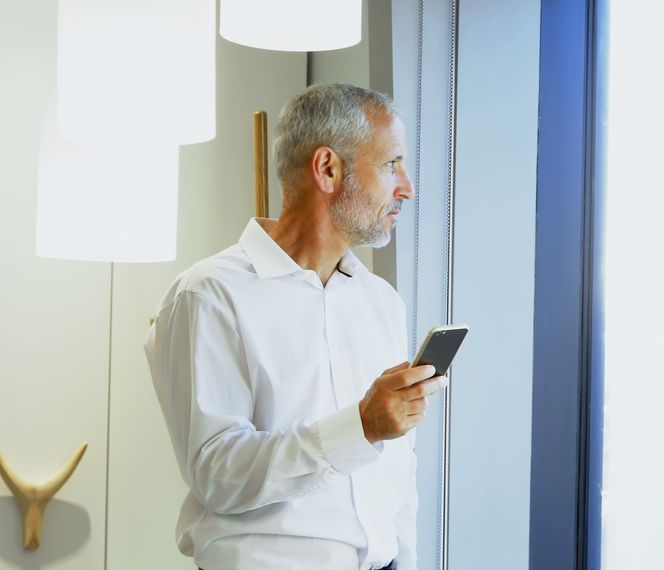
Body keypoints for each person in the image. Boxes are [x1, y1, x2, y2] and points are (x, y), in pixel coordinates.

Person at [144, 84, 444, 570]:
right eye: (391, 164)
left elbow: (396, 471)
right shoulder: (209, 294)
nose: (406, 186)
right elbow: (217, 473)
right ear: (328, 169)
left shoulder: (381, 302)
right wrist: (361, 427)